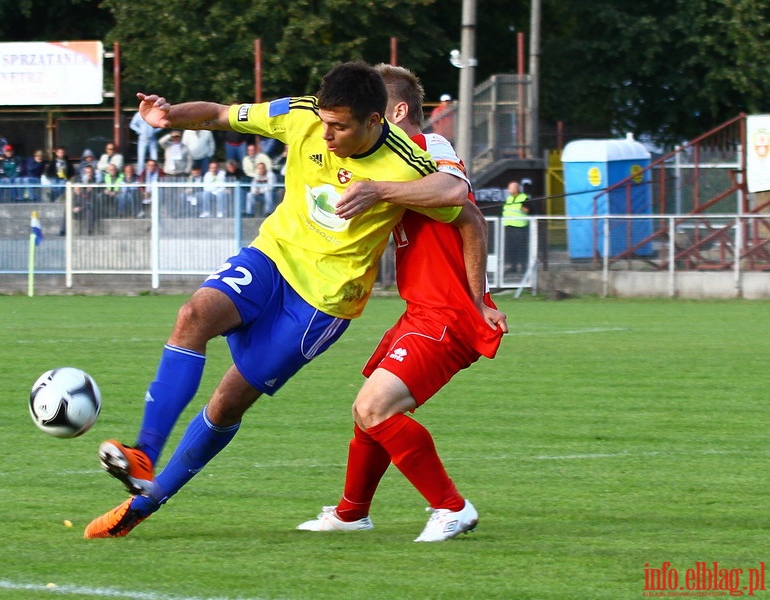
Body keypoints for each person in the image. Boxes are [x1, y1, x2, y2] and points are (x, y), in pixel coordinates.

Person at [83, 61, 468, 539]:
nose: (326, 135)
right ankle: (144, 452)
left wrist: (378, 191)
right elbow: (223, 115)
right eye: (324, 122)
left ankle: (148, 501)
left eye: (340, 127)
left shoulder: (403, 159)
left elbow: (455, 194)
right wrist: (170, 115)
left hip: (320, 302)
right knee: (193, 315)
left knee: (226, 404)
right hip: (271, 258)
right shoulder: (302, 114)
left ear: (375, 121)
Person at [296, 64, 507, 542]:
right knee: (365, 411)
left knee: (375, 407)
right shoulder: (386, 162)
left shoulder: (429, 149)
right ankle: (352, 512)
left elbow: (464, 206)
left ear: (396, 111)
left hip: (448, 313)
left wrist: (479, 300)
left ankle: (451, 507)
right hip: (422, 310)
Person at [502, 181, 530, 274]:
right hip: (509, 226)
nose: (509, 190)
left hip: (520, 227)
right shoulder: (509, 198)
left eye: (511, 188)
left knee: (521, 248)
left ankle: (523, 268)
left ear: (516, 188)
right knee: (511, 248)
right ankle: (513, 267)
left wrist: (523, 208)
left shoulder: (524, 197)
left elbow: (528, 210)